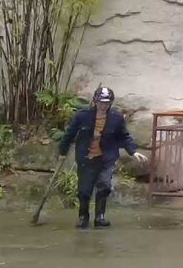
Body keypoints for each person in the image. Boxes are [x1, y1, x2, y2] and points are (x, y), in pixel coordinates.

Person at [57, 86, 141, 229]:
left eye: (106, 103)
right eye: (101, 102)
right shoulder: (82, 116)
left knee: (104, 186)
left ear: (111, 103)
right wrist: (62, 152)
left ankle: (100, 217)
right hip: (86, 158)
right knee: (84, 190)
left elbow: (124, 137)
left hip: (106, 159)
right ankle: (83, 217)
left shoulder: (116, 118)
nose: (103, 105)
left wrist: (133, 151)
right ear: (95, 101)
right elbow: (69, 134)